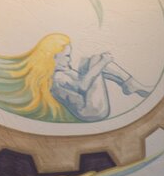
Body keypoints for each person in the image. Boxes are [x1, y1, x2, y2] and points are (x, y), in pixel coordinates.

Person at [10, 33, 150, 122]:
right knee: (96, 60)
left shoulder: (63, 71)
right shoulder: (58, 77)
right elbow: (82, 86)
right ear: (52, 59)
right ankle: (130, 84)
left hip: (91, 104)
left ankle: (129, 84)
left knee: (88, 61)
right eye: (66, 57)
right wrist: (103, 62)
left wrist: (99, 64)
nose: (69, 61)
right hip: (93, 110)